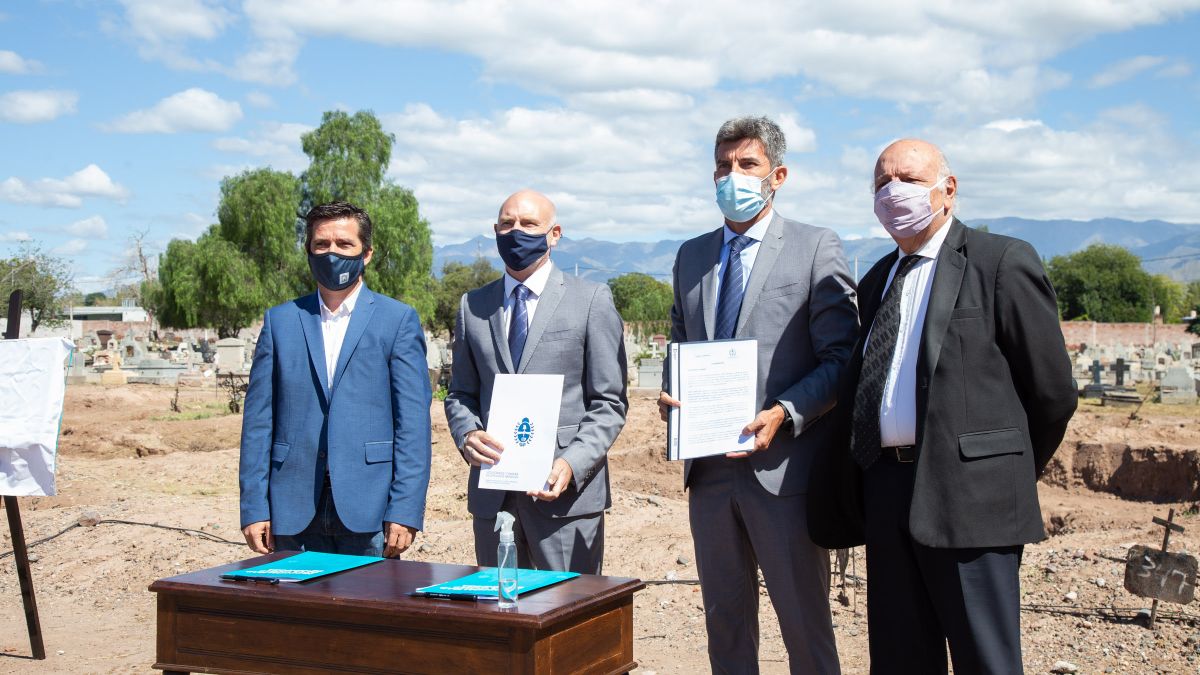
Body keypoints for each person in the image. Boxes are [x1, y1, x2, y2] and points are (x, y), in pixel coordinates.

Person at [808, 139, 1078, 673]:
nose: (893, 193)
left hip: (970, 499)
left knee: (985, 658)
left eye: (907, 178)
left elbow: (1052, 393)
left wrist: (1000, 469)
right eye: (881, 184)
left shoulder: (1000, 261)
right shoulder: (878, 278)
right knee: (900, 655)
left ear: (947, 190)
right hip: (887, 491)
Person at [658, 117, 858, 674]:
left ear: (778, 174)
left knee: (804, 627)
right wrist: (673, 391)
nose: (733, 176)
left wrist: (785, 412)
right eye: (723, 166)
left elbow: (841, 359)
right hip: (710, 472)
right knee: (726, 625)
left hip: (784, 471)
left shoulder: (816, 247)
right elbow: (682, 341)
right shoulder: (691, 256)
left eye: (747, 165)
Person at [444, 189, 628, 574]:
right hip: (495, 497)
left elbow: (609, 403)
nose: (516, 233)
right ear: (495, 231)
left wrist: (571, 463)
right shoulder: (473, 306)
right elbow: (460, 393)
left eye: (529, 224)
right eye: (507, 224)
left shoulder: (591, 299)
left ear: (554, 233)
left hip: (564, 500)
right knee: (502, 617)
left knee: (567, 616)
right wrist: (467, 434)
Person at [239, 201, 432, 558]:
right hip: (291, 507)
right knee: (298, 613)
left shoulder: (397, 320)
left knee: (367, 611)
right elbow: (258, 422)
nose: (332, 253)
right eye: (321, 245)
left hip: (370, 509)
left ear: (367, 253)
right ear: (309, 251)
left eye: (344, 244)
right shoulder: (281, 321)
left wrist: (405, 509)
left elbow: (413, 424)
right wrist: (254, 506)